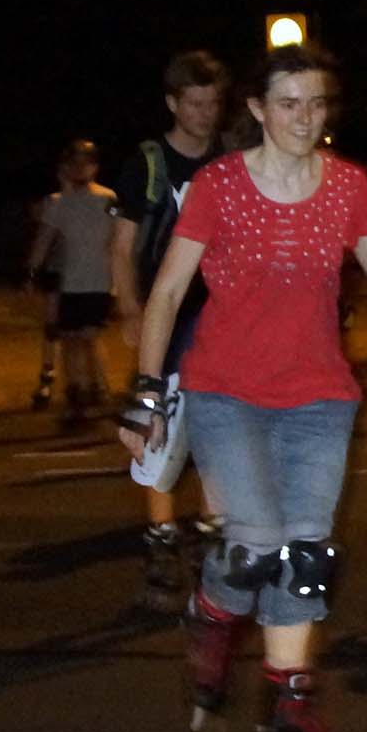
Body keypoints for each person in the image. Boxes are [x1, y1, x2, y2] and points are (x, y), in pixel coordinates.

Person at [118, 44, 367, 732]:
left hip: (319, 396)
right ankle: (212, 614)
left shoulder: (348, 186)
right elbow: (167, 292)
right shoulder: (219, 185)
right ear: (257, 109)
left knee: (306, 556)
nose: (304, 118)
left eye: (316, 104)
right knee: (255, 541)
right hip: (226, 390)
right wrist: (147, 392)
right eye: (288, 103)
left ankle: (290, 710)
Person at [111, 51, 231, 612]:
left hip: (220, 318)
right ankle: (161, 545)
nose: (205, 114)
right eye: (195, 104)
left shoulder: (229, 160)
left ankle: (211, 539)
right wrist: (131, 309)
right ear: (173, 104)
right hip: (168, 317)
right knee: (157, 426)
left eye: (212, 103)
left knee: (218, 430)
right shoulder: (149, 162)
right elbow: (123, 246)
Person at [25, 139, 122, 424]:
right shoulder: (58, 203)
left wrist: (122, 280)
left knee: (90, 337)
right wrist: (32, 273)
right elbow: (43, 240)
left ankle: (98, 389)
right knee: (70, 339)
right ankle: (77, 393)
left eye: (86, 163)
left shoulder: (108, 199)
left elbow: (121, 238)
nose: (80, 169)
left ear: (95, 167)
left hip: (99, 281)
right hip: (69, 282)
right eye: (74, 163)